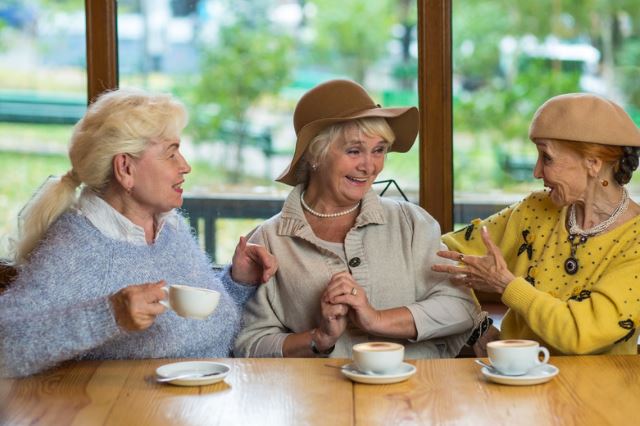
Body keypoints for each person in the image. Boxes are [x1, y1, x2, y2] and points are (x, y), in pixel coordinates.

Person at [0, 89, 277, 377]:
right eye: (171, 153)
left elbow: (201, 323)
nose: (185, 166)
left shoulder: (169, 227)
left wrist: (236, 282)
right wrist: (109, 316)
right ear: (125, 168)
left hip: (209, 397)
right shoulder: (78, 247)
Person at [234, 79, 486, 360]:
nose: (369, 166)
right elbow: (250, 343)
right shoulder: (269, 240)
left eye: (379, 150)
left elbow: (461, 307)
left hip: (414, 393)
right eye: (354, 150)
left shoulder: (411, 223)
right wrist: (319, 338)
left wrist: (376, 319)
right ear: (315, 155)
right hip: (321, 399)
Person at [434, 93, 640, 356]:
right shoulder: (534, 208)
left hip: (597, 391)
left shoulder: (636, 240)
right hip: (514, 380)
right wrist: (477, 326)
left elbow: (579, 333)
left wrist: (506, 285)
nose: (536, 171)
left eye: (547, 157)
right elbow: (440, 254)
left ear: (593, 163)